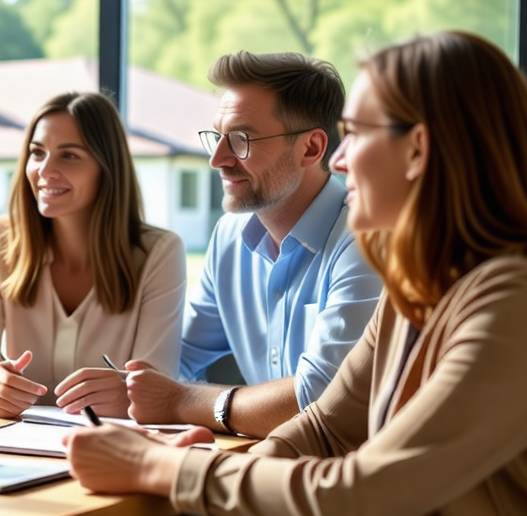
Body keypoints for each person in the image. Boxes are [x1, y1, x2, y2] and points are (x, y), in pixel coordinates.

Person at [65, 30, 527, 516]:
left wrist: (168, 469)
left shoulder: (521, 302)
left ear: (418, 150)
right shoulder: (424, 289)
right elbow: (325, 427)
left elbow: (359, 495)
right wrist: (204, 475)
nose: (338, 161)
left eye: (357, 135)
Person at [124, 51, 382, 438]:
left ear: (311, 149)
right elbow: (178, 358)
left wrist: (179, 401)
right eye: (218, 137)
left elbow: (324, 400)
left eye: (241, 139)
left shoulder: (364, 240)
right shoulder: (229, 236)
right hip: (269, 463)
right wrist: (128, 383)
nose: (217, 159)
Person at [0, 91, 187, 419]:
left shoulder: (159, 254)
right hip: (16, 447)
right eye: (37, 153)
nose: (45, 170)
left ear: (106, 168)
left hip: (113, 450)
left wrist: (131, 394)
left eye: (69, 156)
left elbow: (155, 384)